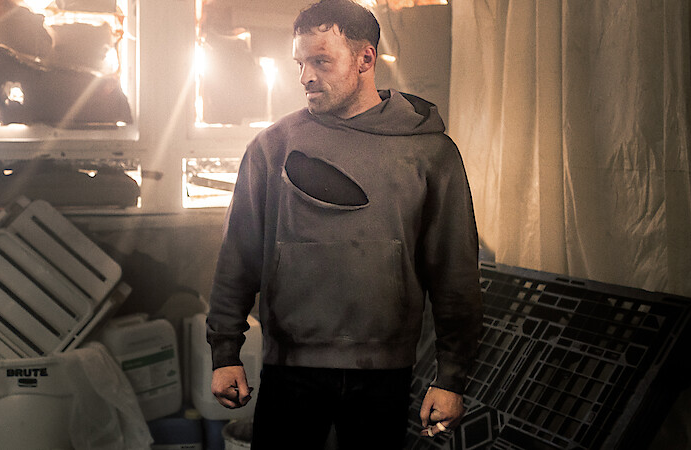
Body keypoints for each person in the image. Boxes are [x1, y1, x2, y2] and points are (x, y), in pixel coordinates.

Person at [206, 0, 483, 448]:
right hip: (289, 367)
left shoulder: (429, 152)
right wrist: (225, 352)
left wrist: (451, 377)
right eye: (300, 63)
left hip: (384, 372)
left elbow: (455, 271)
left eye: (321, 61)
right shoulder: (272, 147)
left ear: (365, 59)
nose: (305, 77)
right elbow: (237, 257)